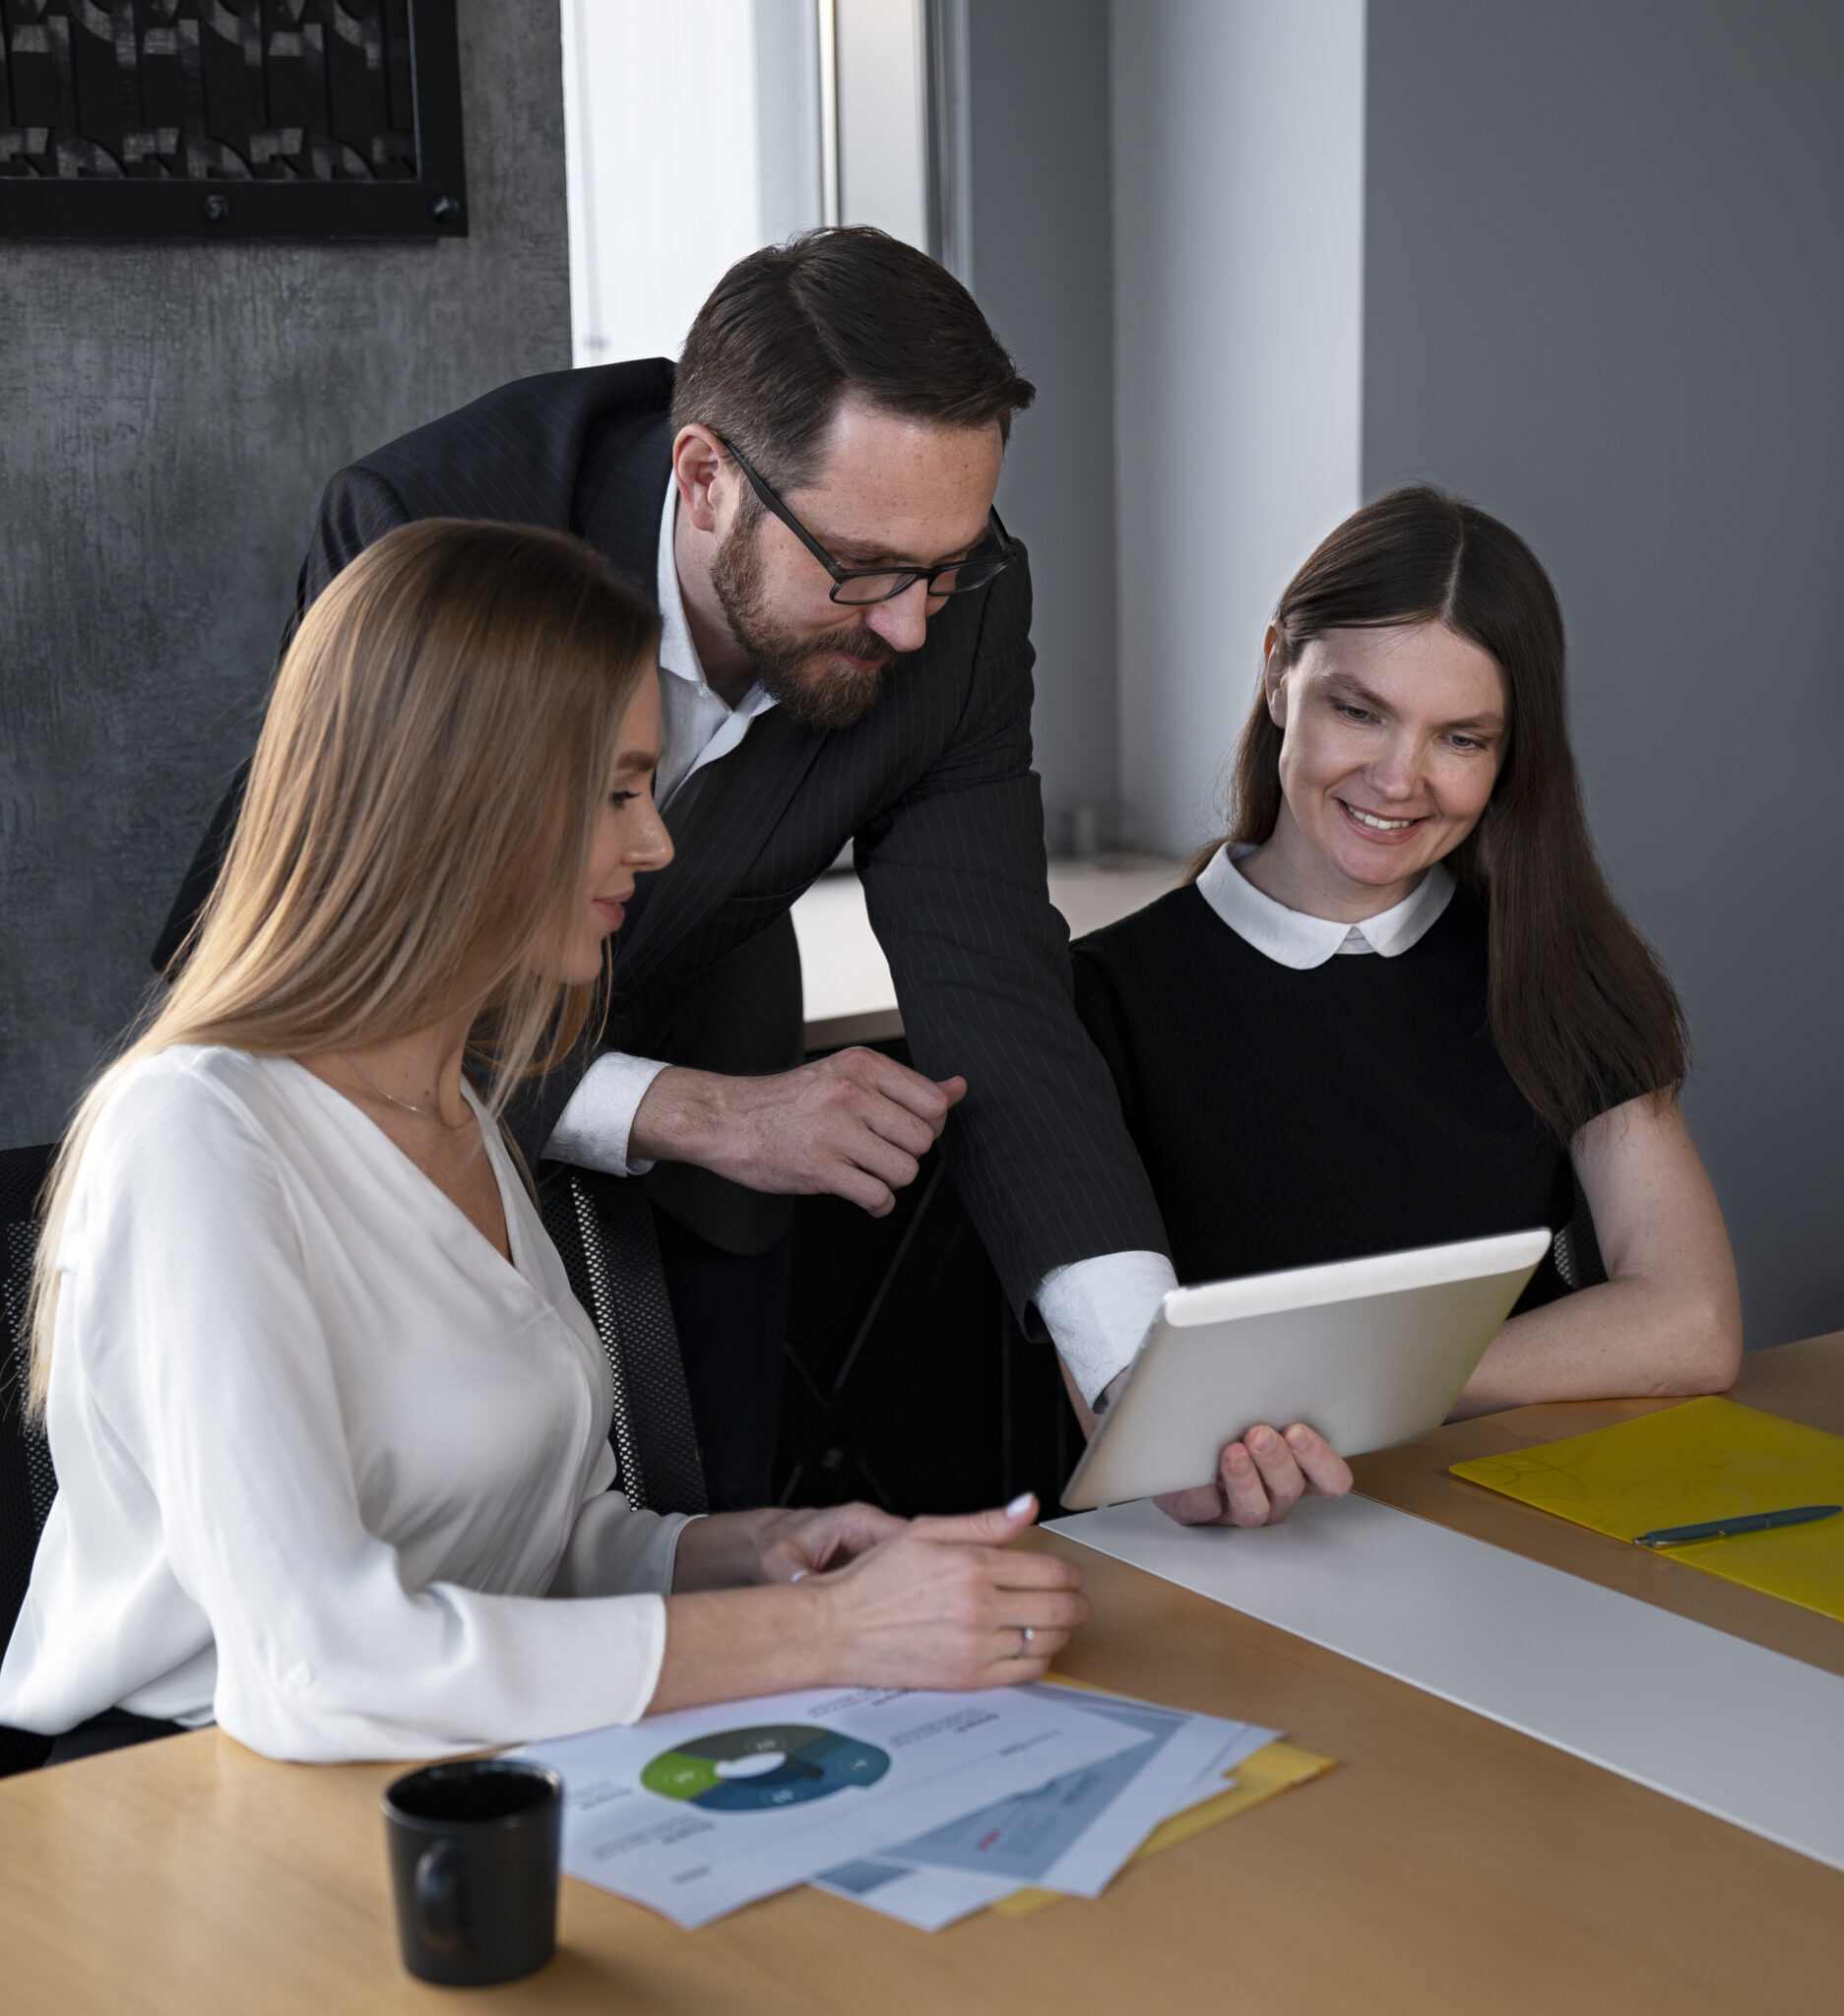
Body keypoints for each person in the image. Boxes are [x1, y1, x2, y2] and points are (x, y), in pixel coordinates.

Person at [0, 520, 1086, 1766]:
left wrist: (756, 1554)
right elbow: (318, 1666)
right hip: (170, 1794)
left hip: (441, 1767)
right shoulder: (195, 1135)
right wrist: (831, 1632)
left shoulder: (454, 1109)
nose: (656, 843)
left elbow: (536, 1546)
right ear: (453, 801)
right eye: (617, 791)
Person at [155, 227, 1171, 1510]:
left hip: (712, 1130)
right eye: (861, 569)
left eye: (945, 567)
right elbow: (287, 952)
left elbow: (1001, 995)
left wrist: (1141, 1380)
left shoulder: (946, 598)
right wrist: (686, 1109)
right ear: (704, 479)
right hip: (412, 1125)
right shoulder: (439, 533)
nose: (912, 623)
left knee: (704, 1534)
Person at [1070, 487, 1743, 1529]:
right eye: (1359, 710)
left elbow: (1691, 1320)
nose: (1398, 780)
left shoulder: (1553, 964)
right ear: (1277, 675)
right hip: (1233, 1545)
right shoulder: (1100, 997)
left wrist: (1360, 1381)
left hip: (1509, 1521)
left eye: (1460, 738)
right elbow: (1122, 1417)